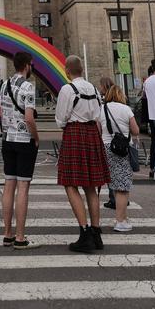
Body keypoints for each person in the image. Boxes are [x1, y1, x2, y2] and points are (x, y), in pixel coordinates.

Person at [55, 55, 109, 252]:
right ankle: (96, 233)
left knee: (70, 183)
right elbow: (98, 115)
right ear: (82, 70)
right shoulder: (94, 89)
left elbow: (61, 119)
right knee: (91, 186)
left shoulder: (67, 89)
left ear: (67, 71)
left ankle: (84, 233)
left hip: (75, 133)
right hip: (92, 134)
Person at [0, 50, 40, 250]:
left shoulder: (3, 85)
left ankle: (7, 234)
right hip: (24, 140)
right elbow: (29, 118)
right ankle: (20, 237)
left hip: (7, 139)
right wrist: (36, 137)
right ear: (26, 65)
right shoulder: (28, 87)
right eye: (31, 64)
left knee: (9, 185)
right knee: (23, 187)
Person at [100, 83, 140, 233]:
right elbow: (135, 130)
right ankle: (121, 221)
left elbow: (98, 130)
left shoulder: (101, 109)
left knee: (114, 183)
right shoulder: (126, 109)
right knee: (122, 186)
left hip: (105, 147)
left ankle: (121, 216)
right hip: (121, 149)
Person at [98, 76, 116, 211]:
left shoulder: (103, 107)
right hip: (123, 143)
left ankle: (113, 198)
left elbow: (98, 127)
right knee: (122, 172)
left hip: (108, 142)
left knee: (111, 172)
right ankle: (122, 198)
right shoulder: (123, 104)